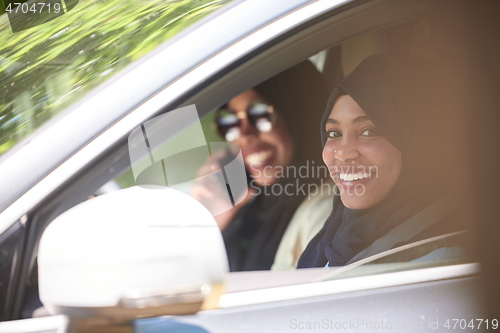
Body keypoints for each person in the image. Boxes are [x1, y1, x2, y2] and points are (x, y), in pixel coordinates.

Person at [298, 54, 469, 268]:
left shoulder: (440, 260)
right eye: (333, 133)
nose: (342, 152)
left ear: (419, 143)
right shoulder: (335, 234)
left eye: (368, 131)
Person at [193, 61, 329, 271]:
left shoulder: (325, 213)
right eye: (229, 123)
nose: (244, 136)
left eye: (260, 115)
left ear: (301, 113)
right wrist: (213, 223)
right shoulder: (257, 207)